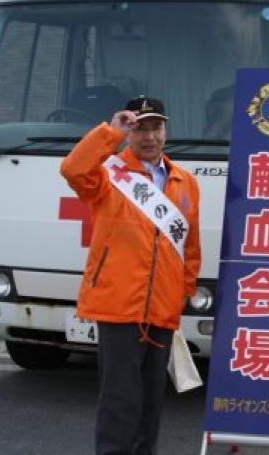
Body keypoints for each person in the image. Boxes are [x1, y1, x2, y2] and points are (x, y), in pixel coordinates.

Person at [60, 96, 201, 455]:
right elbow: (73, 169)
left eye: (156, 127)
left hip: (163, 306)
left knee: (152, 401)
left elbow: (190, 243)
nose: (149, 136)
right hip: (117, 305)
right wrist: (110, 132)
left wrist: (186, 289)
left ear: (165, 130)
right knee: (120, 401)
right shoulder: (107, 174)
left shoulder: (184, 182)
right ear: (129, 132)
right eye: (140, 128)